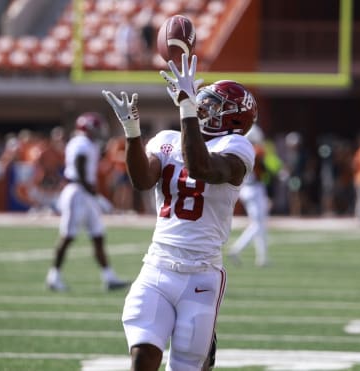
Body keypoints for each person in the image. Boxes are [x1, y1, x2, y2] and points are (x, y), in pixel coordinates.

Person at [102, 53, 256, 371]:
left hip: (200, 274)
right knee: (142, 357)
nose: (203, 108)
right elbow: (142, 179)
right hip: (157, 266)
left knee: (187, 365)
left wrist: (186, 109)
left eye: (214, 107)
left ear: (235, 121)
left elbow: (201, 167)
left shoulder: (238, 148)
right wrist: (132, 132)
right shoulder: (168, 139)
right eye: (203, 102)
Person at [45, 112, 128, 292]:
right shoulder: (81, 143)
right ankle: (54, 276)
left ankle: (109, 277)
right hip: (77, 192)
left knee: (98, 235)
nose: (98, 131)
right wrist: (96, 195)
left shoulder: (89, 144)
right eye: (96, 128)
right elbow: (80, 169)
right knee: (68, 236)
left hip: (85, 193)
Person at [227, 124, 270, 267]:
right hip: (255, 189)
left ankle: (262, 257)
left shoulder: (240, 151)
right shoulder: (256, 151)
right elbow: (264, 170)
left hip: (245, 188)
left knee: (259, 224)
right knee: (258, 225)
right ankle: (237, 249)